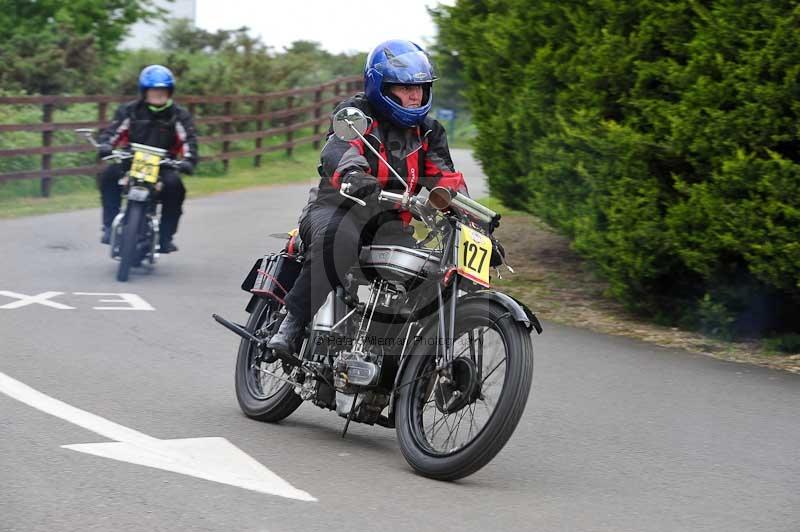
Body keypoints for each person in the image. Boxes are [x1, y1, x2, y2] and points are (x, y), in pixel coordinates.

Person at [268, 39, 469, 356]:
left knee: (429, 274)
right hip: (338, 209)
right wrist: (353, 173)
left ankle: (388, 356)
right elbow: (340, 148)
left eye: (421, 87)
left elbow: (445, 176)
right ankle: (292, 323)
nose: (415, 95)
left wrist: (467, 216)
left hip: (391, 225)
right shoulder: (357, 113)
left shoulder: (430, 132)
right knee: (339, 241)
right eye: (405, 87)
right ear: (382, 87)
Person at [96, 64, 198, 253]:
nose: (158, 94)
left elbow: (188, 140)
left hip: (163, 163)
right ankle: (109, 226)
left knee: (175, 187)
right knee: (108, 176)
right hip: (131, 159)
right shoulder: (130, 111)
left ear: (170, 92)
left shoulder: (178, 115)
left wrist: (189, 160)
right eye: (154, 90)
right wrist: (105, 145)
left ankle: (166, 237)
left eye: (163, 90)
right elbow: (113, 131)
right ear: (144, 92)